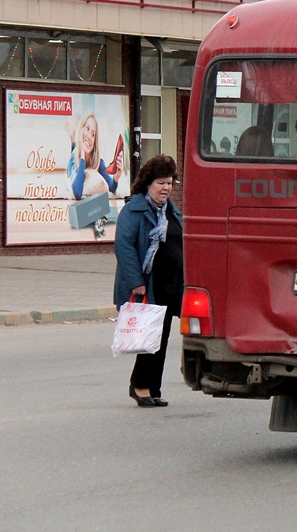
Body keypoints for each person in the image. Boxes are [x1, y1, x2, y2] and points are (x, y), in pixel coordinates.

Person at [113, 155, 183, 408]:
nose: (166, 188)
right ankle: (140, 386)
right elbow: (124, 246)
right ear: (148, 184)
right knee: (148, 338)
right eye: (161, 183)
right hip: (147, 285)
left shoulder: (170, 211)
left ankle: (153, 387)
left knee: (160, 339)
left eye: (170, 182)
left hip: (169, 285)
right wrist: (136, 281)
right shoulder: (135, 210)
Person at [67, 113, 123, 199]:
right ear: (81, 129)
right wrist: (82, 153)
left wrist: (117, 177)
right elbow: (77, 193)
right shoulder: (73, 159)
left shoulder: (98, 161)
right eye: (87, 129)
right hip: (77, 153)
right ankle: (73, 138)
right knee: (74, 146)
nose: (89, 136)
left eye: (93, 134)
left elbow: (111, 188)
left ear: (95, 141)